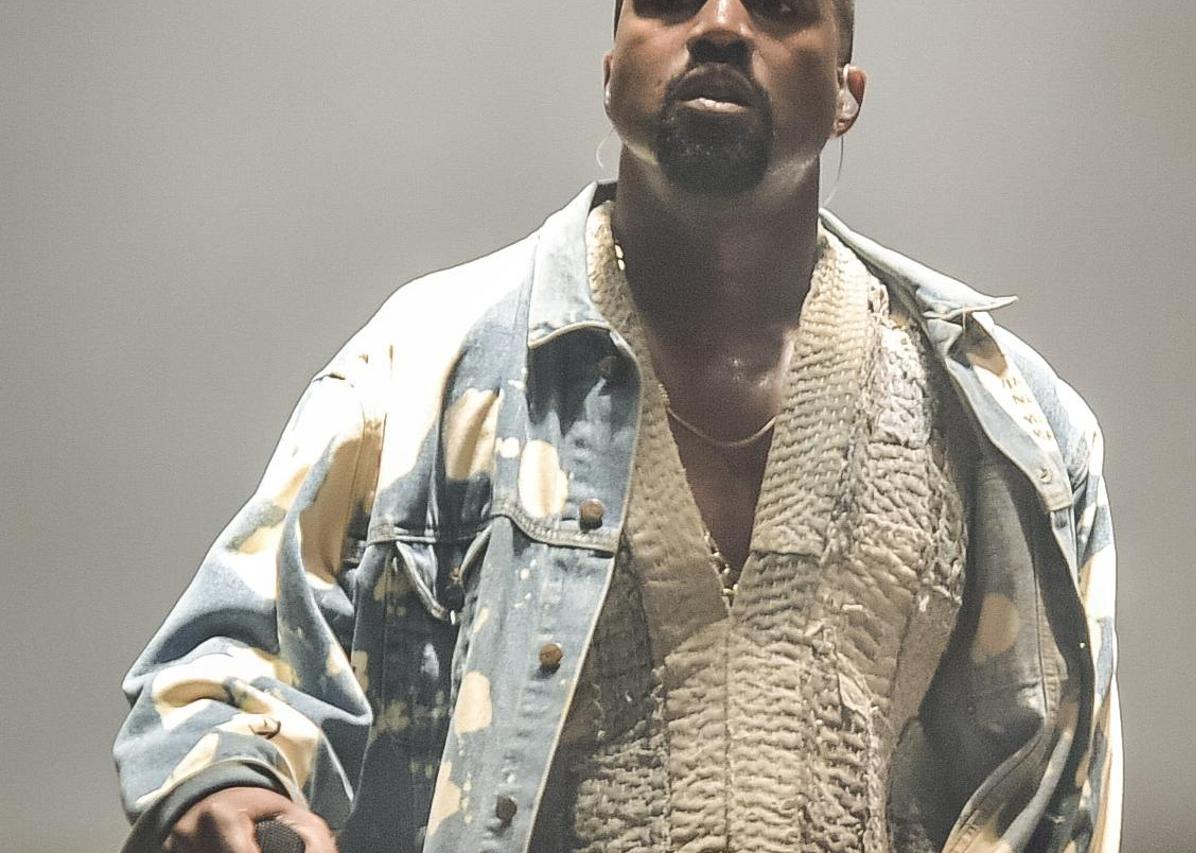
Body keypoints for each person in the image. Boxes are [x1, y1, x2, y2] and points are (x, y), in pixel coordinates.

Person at [115, 1, 1122, 851]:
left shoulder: (1008, 426)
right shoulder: (421, 368)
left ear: (848, 91)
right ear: (610, 74)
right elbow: (231, 659)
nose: (721, 25)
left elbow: (1053, 793)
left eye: (776, 3)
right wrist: (222, 781)